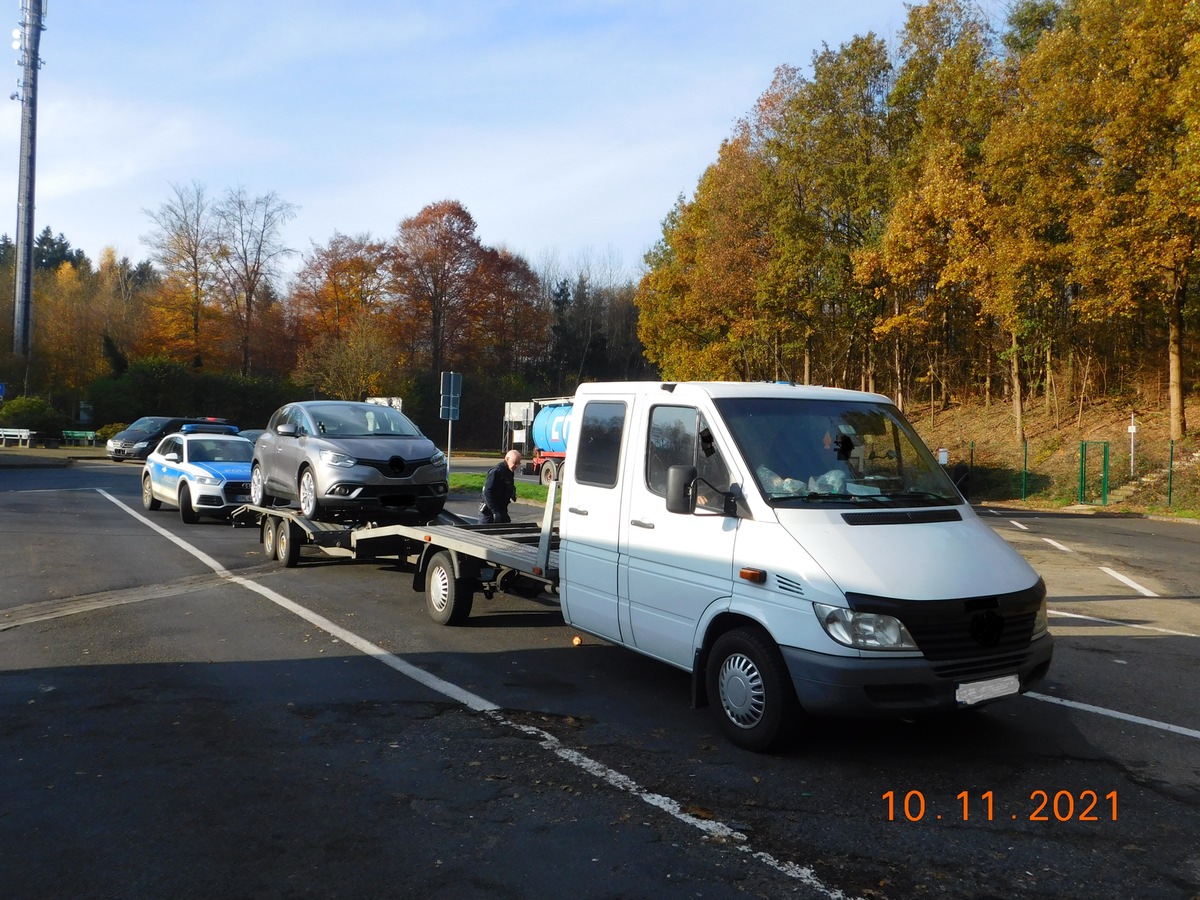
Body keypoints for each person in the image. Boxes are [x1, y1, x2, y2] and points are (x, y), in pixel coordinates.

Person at [479, 449, 523, 523]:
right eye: (514, 462)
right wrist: (495, 512)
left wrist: (511, 492)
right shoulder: (496, 471)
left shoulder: (509, 471)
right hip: (488, 512)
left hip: (501, 509)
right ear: (507, 459)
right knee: (484, 533)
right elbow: (487, 492)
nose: (516, 466)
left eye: (518, 463)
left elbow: (506, 485)